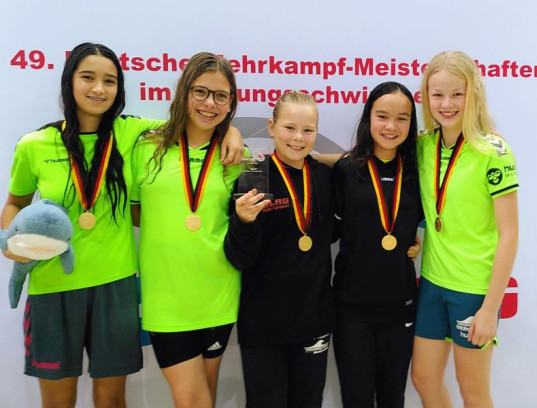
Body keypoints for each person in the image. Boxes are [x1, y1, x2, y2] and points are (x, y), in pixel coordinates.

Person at [1, 43, 243, 408]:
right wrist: (10, 242)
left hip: (116, 286)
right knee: (57, 402)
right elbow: (15, 204)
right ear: (69, 81)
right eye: (88, 77)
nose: (99, 89)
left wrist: (232, 132)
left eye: (110, 81)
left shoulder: (131, 133)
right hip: (52, 284)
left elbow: (198, 122)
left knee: (112, 400)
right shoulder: (34, 144)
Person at [131, 52, 243, 408]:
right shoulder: (146, 146)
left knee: (205, 394)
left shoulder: (235, 157)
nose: (210, 103)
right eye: (201, 92)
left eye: (221, 96)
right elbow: (135, 210)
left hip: (218, 292)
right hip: (166, 297)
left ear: (231, 102)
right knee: (191, 399)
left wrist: (233, 131)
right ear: (184, 92)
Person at [410, 51, 519, 408]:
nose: (447, 104)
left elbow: (509, 234)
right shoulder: (424, 144)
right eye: (438, 94)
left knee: (472, 391)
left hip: (473, 289)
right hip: (433, 282)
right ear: (426, 96)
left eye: (457, 94)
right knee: (424, 379)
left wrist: (490, 309)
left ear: (474, 94)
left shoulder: (494, 151)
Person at [224, 91, 336, 408]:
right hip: (263, 321)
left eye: (308, 130)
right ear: (272, 128)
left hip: (313, 317)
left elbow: (343, 230)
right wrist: (243, 222)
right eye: (289, 128)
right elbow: (239, 258)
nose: (298, 138)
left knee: (309, 402)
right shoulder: (253, 175)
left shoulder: (325, 177)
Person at [331, 81, 423, 408]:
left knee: (392, 399)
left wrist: (416, 240)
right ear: (368, 117)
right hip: (351, 307)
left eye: (402, 118)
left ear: (411, 123)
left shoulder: (418, 172)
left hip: (399, 305)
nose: (390, 126)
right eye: (382, 116)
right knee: (355, 399)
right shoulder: (345, 170)